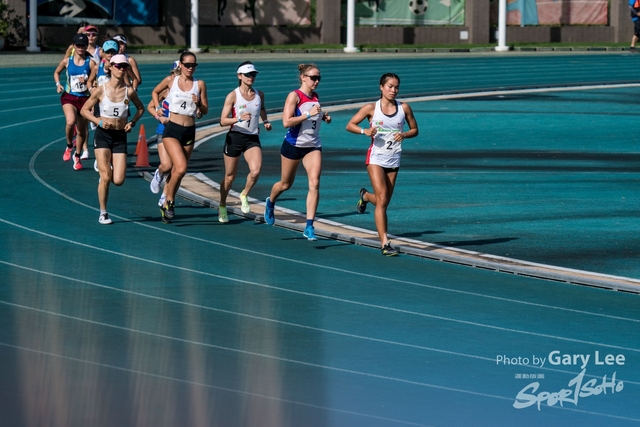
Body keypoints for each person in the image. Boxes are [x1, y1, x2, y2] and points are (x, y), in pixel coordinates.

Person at [346, 73, 418, 256]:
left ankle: (365, 196)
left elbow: (415, 129)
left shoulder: (404, 108)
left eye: (396, 87)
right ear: (381, 87)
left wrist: (405, 135)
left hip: (394, 158)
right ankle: (385, 243)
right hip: (376, 158)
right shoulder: (371, 108)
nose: (393, 90)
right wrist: (365, 130)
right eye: (390, 86)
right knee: (383, 198)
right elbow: (350, 125)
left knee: (382, 201)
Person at [263, 63, 331, 241]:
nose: (316, 81)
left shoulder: (315, 96)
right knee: (285, 184)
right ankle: (270, 202)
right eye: (313, 78)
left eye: (319, 78)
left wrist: (323, 116)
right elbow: (286, 122)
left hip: (313, 145)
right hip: (293, 145)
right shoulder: (294, 96)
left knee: (314, 182)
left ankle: (309, 226)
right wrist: (309, 115)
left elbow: (314, 113)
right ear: (303, 77)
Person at [80, 54, 144, 224]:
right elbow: (84, 110)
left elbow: (140, 109)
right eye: (118, 66)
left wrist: (132, 122)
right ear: (110, 67)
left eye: (124, 66)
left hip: (120, 136)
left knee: (119, 180)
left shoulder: (129, 91)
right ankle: (103, 212)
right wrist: (99, 121)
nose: (121, 69)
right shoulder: (101, 89)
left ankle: (105, 173)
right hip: (103, 135)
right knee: (107, 177)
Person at [151, 52, 208, 224]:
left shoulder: (200, 84)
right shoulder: (171, 81)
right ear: (181, 65)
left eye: (194, 65)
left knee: (178, 172)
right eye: (188, 65)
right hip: (172, 130)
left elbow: (204, 110)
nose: (191, 68)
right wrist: (157, 108)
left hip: (189, 131)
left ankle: (166, 202)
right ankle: (169, 200)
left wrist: (198, 103)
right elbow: (155, 92)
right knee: (181, 168)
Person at [218, 61, 272, 223]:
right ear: (239, 76)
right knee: (229, 177)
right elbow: (222, 121)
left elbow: (261, 108)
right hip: (235, 137)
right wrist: (238, 118)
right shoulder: (233, 95)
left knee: (255, 171)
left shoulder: (259, 94)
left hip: (252, 138)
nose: (251, 77)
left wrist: (266, 120)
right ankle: (222, 205)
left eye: (253, 74)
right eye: (248, 75)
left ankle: (244, 194)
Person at [53, 33, 97, 170]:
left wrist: (89, 82)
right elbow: (56, 72)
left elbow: (95, 81)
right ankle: (69, 145)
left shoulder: (91, 63)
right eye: (78, 45)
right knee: (70, 122)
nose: (81, 48)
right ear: (74, 46)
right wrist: (58, 84)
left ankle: (77, 156)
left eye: (83, 45)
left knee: (82, 131)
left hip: (84, 99)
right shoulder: (67, 61)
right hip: (69, 97)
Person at [147, 60, 180, 207]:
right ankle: (159, 173)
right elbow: (150, 106)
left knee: (176, 168)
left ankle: (166, 194)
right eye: (176, 72)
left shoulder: (190, 88)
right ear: (172, 72)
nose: (178, 75)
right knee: (166, 165)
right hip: (164, 130)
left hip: (181, 131)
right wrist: (158, 114)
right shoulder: (167, 89)